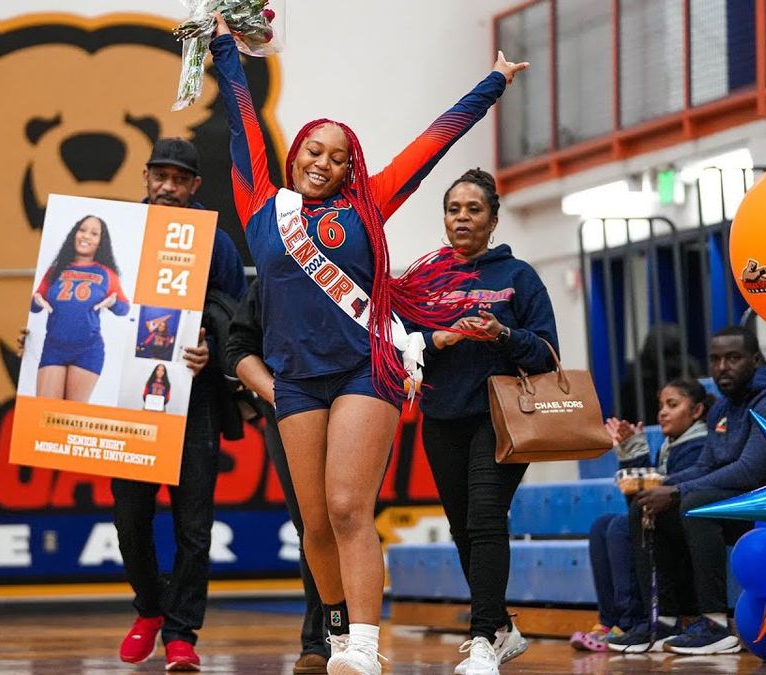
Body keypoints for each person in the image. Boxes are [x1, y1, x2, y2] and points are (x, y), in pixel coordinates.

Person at [210, 13, 527, 674]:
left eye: (337, 155)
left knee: (351, 507)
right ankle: (337, 630)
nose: (322, 162)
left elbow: (431, 144)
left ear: (350, 165)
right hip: (294, 379)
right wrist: (223, 48)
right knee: (316, 523)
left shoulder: (369, 204)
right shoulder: (263, 209)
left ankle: (364, 645)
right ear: (294, 153)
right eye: (313, 151)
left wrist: (492, 83)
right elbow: (241, 124)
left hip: (364, 369)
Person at [412, 169, 555, 675]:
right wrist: (436, 340)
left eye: (474, 209)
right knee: (462, 529)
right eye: (454, 209)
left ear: (493, 220)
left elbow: (547, 353)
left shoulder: (520, 278)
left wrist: (503, 335)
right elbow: (398, 343)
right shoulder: (423, 278)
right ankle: (500, 628)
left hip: (502, 418)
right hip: (440, 416)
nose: (462, 218)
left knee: (486, 519)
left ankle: (479, 641)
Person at [112, 137, 247, 672]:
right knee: (129, 519)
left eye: (179, 178)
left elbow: (239, 319)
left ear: (195, 185)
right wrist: (43, 337)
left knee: (194, 527)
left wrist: (213, 348)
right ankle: (148, 608)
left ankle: (181, 632)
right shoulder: (115, 230)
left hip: (195, 399)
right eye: (159, 176)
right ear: (145, 177)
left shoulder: (217, 242)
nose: (168, 186)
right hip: (125, 401)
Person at [608, 325, 766, 655]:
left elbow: (750, 470)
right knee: (645, 505)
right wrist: (661, 486)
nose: (722, 367)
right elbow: (706, 466)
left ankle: (716, 625)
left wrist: (678, 492)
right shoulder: (722, 408)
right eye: (716, 359)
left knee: (696, 501)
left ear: (755, 360)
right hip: (747, 503)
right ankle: (662, 621)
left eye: (733, 358)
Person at [225, 277, 330, 674]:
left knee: (349, 516)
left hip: (352, 409)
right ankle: (318, 638)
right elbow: (238, 347)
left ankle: (359, 637)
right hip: (288, 413)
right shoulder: (271, 276)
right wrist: (278, 395)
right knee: (312, 525)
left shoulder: (356, 264)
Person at [572, 378, 711, 653]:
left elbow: (662, 498)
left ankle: (634, 621)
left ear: (696, 411)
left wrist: (639, 462)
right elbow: (639, 503)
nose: (662, 412)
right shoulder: (670, 446)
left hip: (686, 535)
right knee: (602, 525)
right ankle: (610, 620)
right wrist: (631, 453)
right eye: (661, 405)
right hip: (663, 527)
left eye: (672, 404)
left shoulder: (700, 445)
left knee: (620, 527)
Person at [31, 214, 129, 403]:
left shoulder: (106, 274)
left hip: (88, 350)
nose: (86, 236)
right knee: (43, 416)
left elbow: (124, 308)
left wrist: (112, 303)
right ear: (74, 233)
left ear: (100, 242)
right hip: (54, 348)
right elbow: (34, 305)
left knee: (71, 418)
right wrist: (36, 302)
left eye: (94, 233)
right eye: (82, 230)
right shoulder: (55, 271)